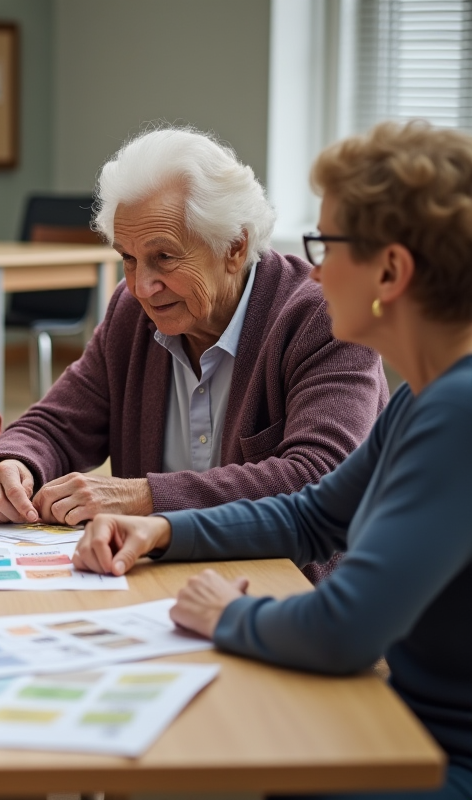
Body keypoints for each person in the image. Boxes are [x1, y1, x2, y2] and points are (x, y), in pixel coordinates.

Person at [73, 121, 472, 800]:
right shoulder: (427, 398)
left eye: (327, 244)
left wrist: (226, 614)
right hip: (401, 723)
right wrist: (165, 529)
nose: (313, 270)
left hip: (434, 756)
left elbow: (343, 629)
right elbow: (316, 513)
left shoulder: (458, 412)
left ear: (391, 271)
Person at [0, 127, 389, 583]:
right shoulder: (130, 314)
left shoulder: (323, 317)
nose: (141, 287)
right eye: (128, 259)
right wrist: (12, 463)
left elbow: (318, 480)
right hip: (158, 586)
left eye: (164, 258)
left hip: (297, 593)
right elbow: (56, 423)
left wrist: (145, 498)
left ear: (235, 247)